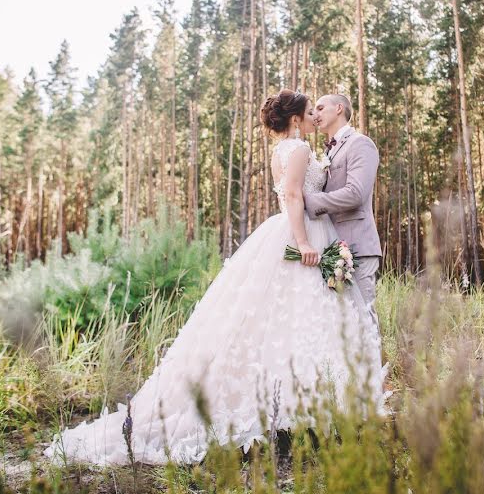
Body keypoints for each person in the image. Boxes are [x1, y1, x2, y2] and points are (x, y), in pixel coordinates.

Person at [44, 89, 383, 466]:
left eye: (318, 110)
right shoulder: (300, 150)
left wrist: (306, 216)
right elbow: (291, 193)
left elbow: (314, 193)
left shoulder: (289, 150)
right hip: (302, 233)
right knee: (302, 323)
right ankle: (303, 415)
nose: (313, 116)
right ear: (294, 119)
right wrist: (304, 237)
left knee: (281, 325)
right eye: (309, 111)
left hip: (297, 232)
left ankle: (301, 415)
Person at [305, 94, 381, 324]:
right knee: (342, 323)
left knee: (363, 318)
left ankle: (371, 362)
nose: (315, 114)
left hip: (357, 245)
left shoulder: (360, 143)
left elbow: (355, 193)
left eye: (320, 108)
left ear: (339, 108)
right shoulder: (329, 151)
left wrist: (311, 202)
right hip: (333, 248)